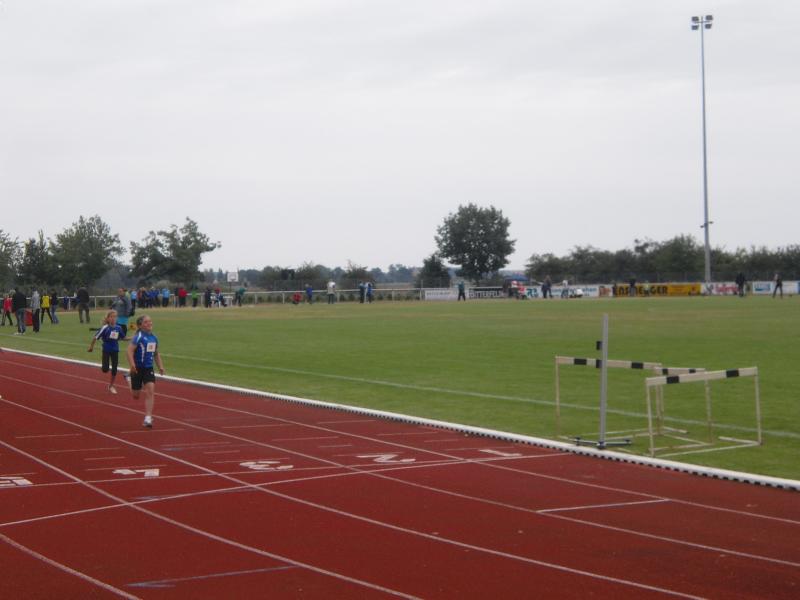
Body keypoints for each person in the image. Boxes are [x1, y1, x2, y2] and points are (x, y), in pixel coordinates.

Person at [126, 314, 165, 428]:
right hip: (137, 369)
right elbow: (129, 351)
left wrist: (160, 366)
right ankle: (128, 378)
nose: (149, 323)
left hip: (148, 369)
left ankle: (148, 417)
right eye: (146, 322)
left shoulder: (154, 338)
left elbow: (156, 353)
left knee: (150, 391)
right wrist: (132, 365)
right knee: (136, 395)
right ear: (140, 325)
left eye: (150, 321)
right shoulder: (138, 337)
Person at [88, 309, 124, 395]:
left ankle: (111, 386)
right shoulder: (105, 328)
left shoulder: (119, 328)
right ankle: (104, 362)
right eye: (111, 317)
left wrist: (133, 338)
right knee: (105, 369)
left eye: (115, 317)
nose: (113, 318)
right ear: (108, 318)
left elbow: (123, 337)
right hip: (106, 350)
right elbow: (95, 337)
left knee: (114, 369)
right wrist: (91, 347)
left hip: (115, 350)